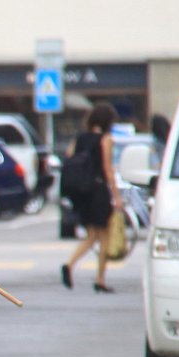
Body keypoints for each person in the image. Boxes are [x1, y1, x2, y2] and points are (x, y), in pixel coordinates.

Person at [61, 103, 122, 294]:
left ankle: (69, 265)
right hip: (99, 191)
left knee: (92, 236)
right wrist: (116, 196)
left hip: (83, 193)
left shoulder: (79, 139)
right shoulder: (105, 139)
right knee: (104, 236)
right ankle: (100, 279)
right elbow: (108, 169)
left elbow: (69, 158)